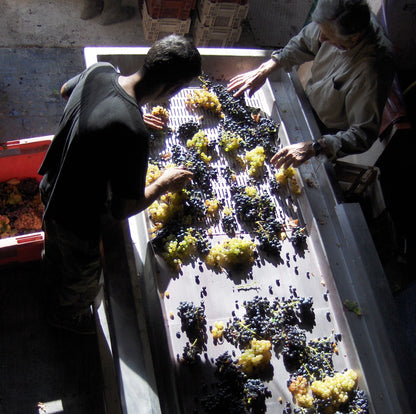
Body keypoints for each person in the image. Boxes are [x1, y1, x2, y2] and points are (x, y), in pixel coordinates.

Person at [38, 34, 201, 334]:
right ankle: (65, 316)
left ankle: (50, 277)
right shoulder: (132, 132)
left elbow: (66, 92)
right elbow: (123, 208)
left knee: (55, 253)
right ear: (174, 88)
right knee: (81, 281)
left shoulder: (100, 72)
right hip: (78, 222)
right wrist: (164, 182)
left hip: (50, 187)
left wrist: (126, 114)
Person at [227, 0, 394, 169]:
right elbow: (305, 42)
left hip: (328, 131)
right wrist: (266, 68)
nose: (321, 38)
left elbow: (362, 134)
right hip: (309, 102)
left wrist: (316, 146)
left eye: (327, 37)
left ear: (354, 38)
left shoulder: (372, 71)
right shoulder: (335, 18)